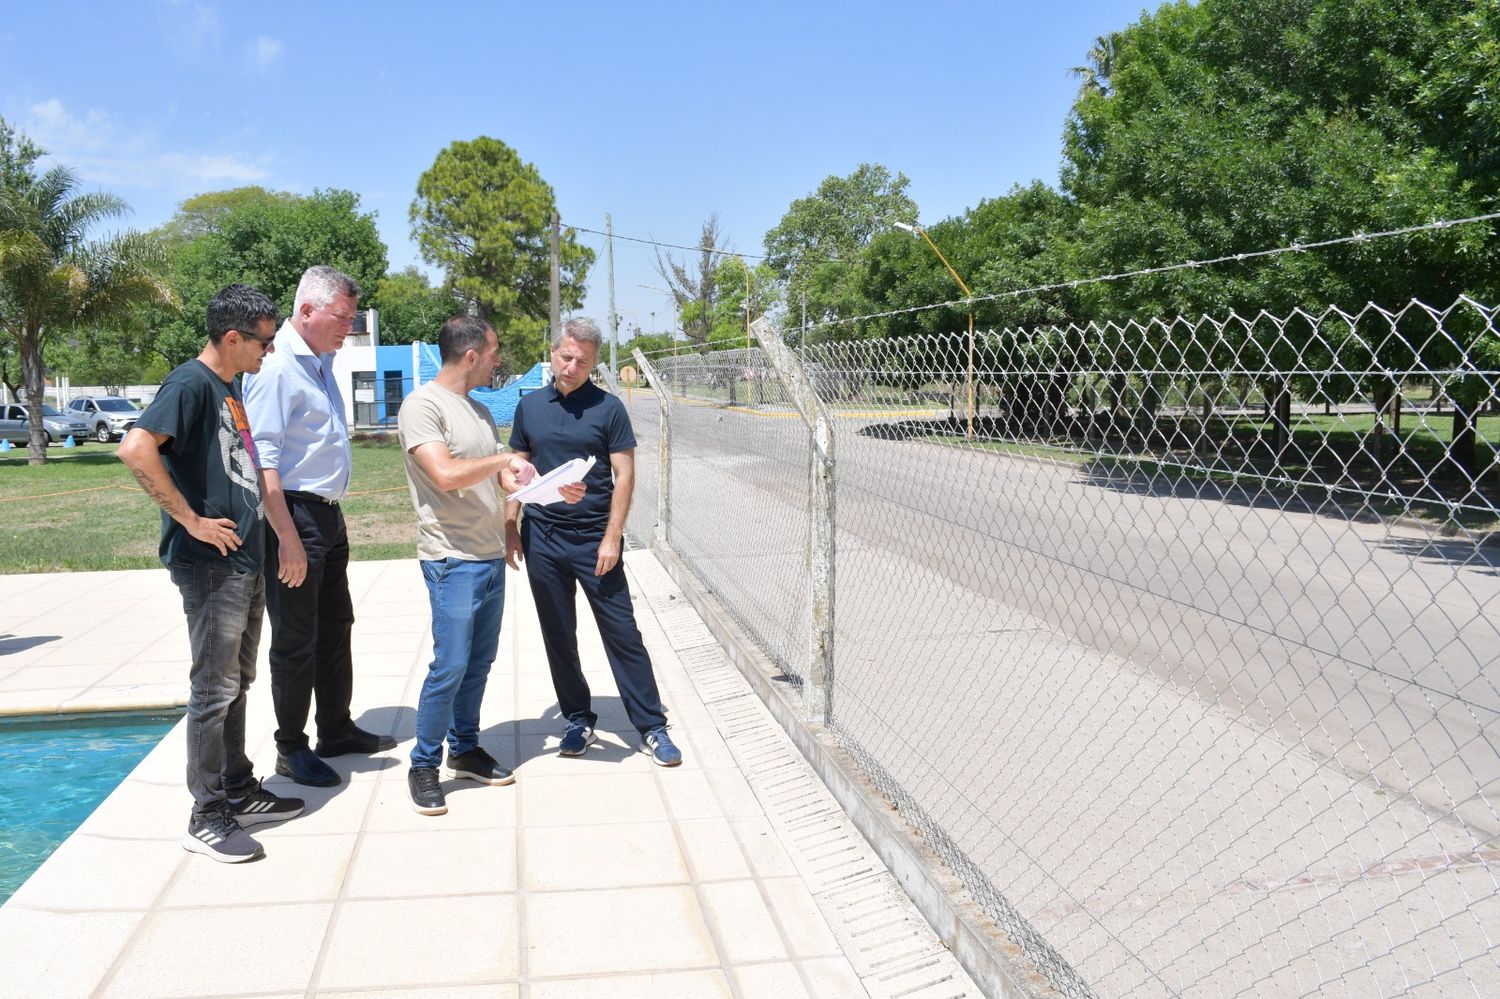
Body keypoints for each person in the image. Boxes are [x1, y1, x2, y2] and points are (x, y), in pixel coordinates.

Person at [119, 283, 304, 863]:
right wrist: (192, 520)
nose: (268, 352)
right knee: (213, 688)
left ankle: (236, 786)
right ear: (232, 337)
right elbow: (135, 448)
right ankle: (205, 813)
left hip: (243, 561)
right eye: (264, 342)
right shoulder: (191, 383)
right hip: (210, 566)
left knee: (235, 683)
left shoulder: (229, 387)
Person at [506, 317, 684, 767]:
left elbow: (625, 474)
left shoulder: (608, 409)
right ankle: (577, 718)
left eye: (582, 362)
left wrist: (612, 538)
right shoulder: (529, 407)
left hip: (594, 542)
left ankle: (651, 726)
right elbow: (516, 470)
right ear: (553, 352)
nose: (571, 367)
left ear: (594, 363)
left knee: (622, 632)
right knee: (558, 634)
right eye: (566, 357)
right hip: (543, 538)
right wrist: (510, 523)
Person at [396, 315, 555, 814]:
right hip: (451, 558)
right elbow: (444, 474)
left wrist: (543, 488)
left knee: (479, 663)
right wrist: (503, 460)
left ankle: (464, 749)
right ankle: (424, 764)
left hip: (488, 554)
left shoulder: (480, 412)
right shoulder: (421, 406)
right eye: (493, 352)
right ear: (470, 355)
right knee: (451, 665)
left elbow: (498, 479)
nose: (497, 360)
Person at [243, 265, 394, 789]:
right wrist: (287, 537)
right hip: (295, 517)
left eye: (352, 318)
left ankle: (336, 728)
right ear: (306, 311)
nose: (348, 329)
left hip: (327, 513)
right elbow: (262, 460)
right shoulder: (275, 368)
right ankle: (290, 748)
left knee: (336, 626)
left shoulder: (321, 361)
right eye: (342, 317)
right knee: (296, 637)